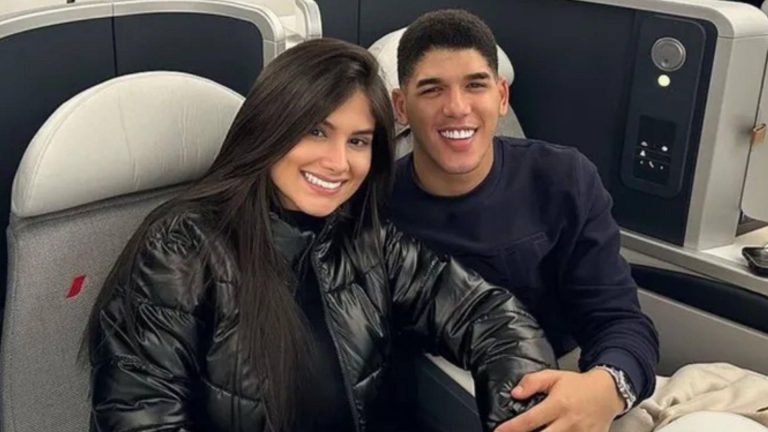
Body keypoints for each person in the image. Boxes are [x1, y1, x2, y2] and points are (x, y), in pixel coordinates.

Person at [85, 38, 557, 432]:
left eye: (358, 141)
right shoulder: (182, 248)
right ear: (270, 128)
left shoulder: (366, 239)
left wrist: (522, 417)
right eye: (315, 131)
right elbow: (140, 416)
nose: (337, 162)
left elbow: (488, 314)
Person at [388, 9, 660, 432]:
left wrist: (607, 387)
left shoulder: (563, 179)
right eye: (432, 89)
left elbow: (619, 320)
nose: (456, 107)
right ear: (401, 107)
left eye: (475, 85)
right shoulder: (374, 203)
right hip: (434, 396)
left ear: (501, 96)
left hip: (563, 380)